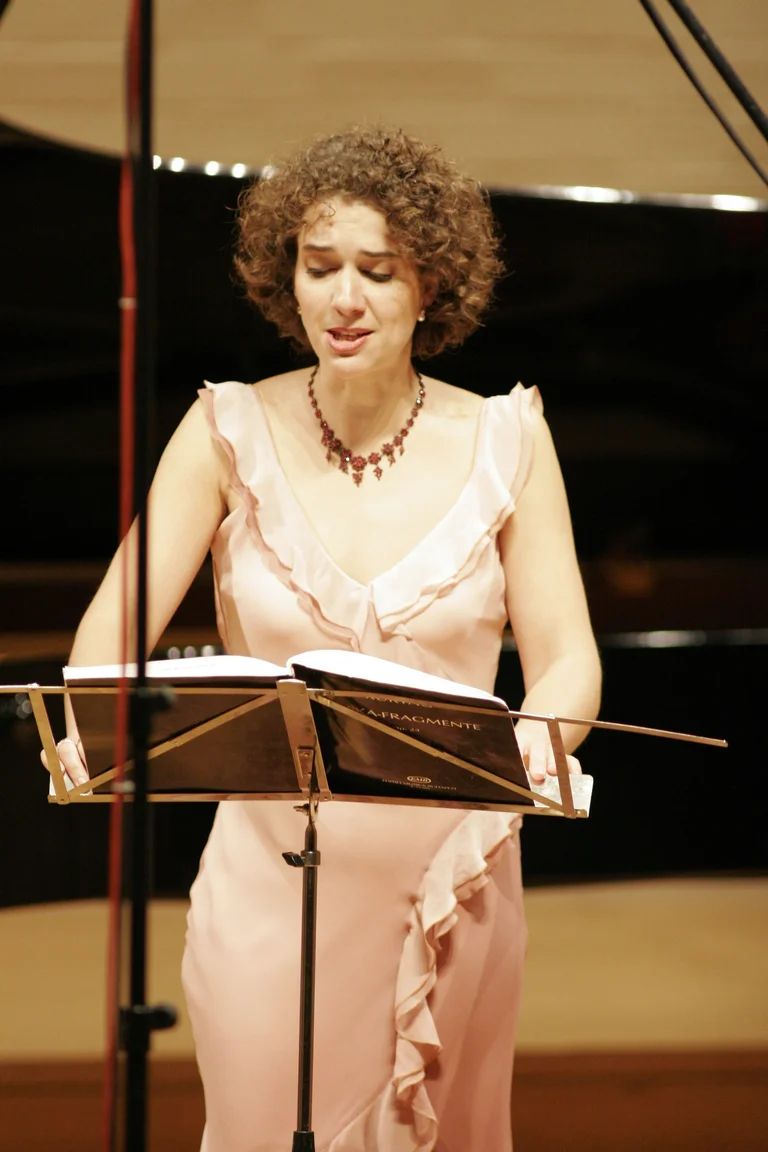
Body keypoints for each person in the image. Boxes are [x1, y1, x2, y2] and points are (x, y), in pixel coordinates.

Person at [53, 127, 601, 1152]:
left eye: (377, 272)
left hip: (454, 879)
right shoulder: (224, 430)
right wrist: (106, 716)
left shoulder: (510, 439)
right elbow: (104, 646)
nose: (344, 299)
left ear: (430, 285)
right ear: (287, 278)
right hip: (269, 888)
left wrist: (533, 745)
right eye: (320, 267)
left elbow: (568, 659)